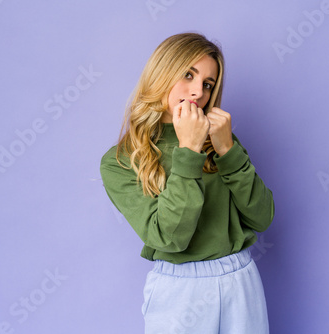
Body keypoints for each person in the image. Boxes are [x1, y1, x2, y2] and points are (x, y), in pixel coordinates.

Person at [100, 32, 275, 333]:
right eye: (188, 75)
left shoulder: (221, 141)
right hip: (179, 291)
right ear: (161, 71)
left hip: (240, 278)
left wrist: (228, 152)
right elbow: (171, 238)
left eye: (208, 84)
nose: (198, 92)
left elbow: (262, 218)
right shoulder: (120, 161)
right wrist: (189, 150)